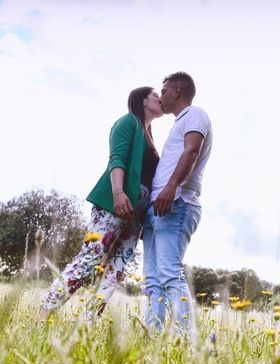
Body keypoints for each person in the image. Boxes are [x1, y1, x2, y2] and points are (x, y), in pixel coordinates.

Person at [41, 86, 163, 318]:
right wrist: (118, 193)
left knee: (115, 270)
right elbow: (116, 158)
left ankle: (87, 324)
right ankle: (44, 314)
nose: (160, 98)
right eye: (155, 95)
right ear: (143, 101)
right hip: (114, 204)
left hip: (136, 215)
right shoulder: (127, 122)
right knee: (89, 259)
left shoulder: (149, 134)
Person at [143, 72, 213, 334]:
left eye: (163, 91)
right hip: (157, 207)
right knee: (152, 278)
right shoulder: (178, 123)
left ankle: (186, 339)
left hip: (177, 203)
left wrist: (171, 187)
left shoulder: (195, 114)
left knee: (170, 273)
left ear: (176, 92)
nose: (160, 96)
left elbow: (191, 150)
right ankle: (154, 335)